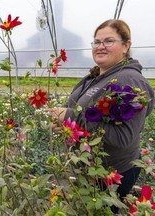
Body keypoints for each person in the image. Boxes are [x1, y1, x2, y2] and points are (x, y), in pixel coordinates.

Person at [47, 19, 154, 200]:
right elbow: (88, 120)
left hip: (111, 174)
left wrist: (70, 116)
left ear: (126, 46)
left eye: (109, 41)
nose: (100, 46)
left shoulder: (129, 80)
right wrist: (68, 127)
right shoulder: (95, 76)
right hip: (91, 169)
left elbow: (123, 137)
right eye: (97, 42)